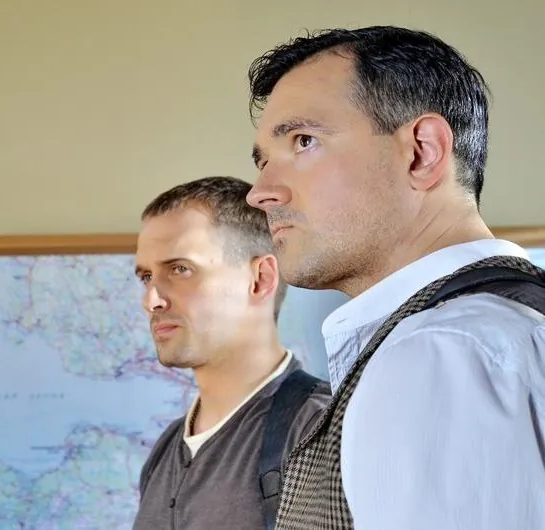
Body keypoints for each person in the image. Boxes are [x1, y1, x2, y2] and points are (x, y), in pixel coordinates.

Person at [245, 26, 545, 530]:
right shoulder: (500, 326)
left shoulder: (443, 352)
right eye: (263, 162)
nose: (260, 192)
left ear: (422, 152)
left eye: (304, 141)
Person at [132, 176, 332, 530]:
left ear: (260, 278)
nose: (152, 300)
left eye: (180, 269)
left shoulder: (320, 431)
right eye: (146, 276)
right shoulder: (164, 452)